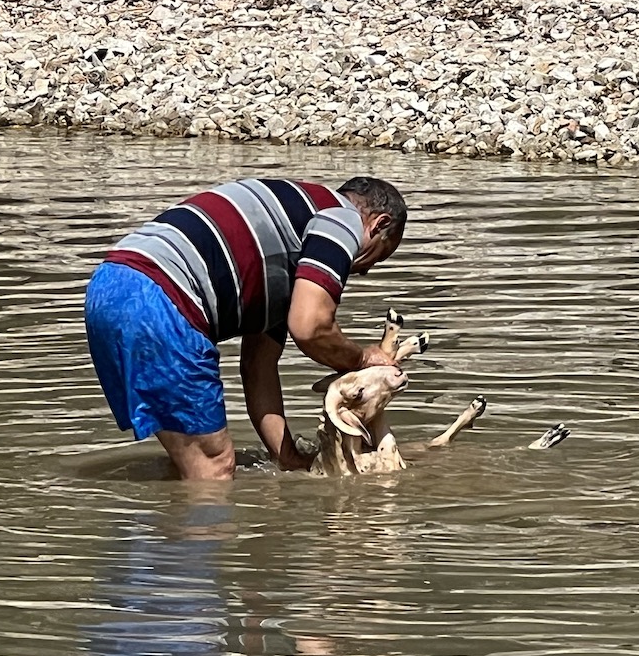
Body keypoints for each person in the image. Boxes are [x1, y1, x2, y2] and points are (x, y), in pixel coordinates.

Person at [84, 176, 406, 480]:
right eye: (377, 257)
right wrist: (363, 361)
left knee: (192, 468)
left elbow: (258, 368)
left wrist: (288, 457)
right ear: (379, 224)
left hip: (110, 286)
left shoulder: (285, 247)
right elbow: (310, 327)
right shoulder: (341, 217)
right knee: (215, 471)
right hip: (161, 296)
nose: (362, 271)